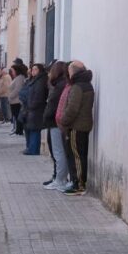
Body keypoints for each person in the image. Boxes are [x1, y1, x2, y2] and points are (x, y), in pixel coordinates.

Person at [58, 60, 94, 196]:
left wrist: (63, 121)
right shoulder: (87, 85)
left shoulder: (78, 87)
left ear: (73, 72)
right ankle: (79, 182)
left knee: (76, 156)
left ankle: (78, 184)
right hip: (84, 125)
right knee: (81, 155)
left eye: (69, 71)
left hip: (76, 126)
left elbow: (72, 108)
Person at [43, 61, 70, 191]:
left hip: (55, 122)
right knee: (58, 151)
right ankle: (59, 178)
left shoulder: (60, 86)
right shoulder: (60, 84)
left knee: (58, 152)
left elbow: (53, 105)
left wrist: (47, 115)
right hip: (55, 122)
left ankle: (60, 180)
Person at [23, 63, 48, 155]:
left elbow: (38, 96)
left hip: (36, 109)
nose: (33, 71)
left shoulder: (40, 81)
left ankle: (33, 150)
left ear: (40, 70)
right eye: (32, 69)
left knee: (35, 129)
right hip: (32, 109)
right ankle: (32, 148)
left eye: (35, 69)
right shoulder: (34, 80)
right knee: (32, 128)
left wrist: (31, 106)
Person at [8, 65, 25, 134]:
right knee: (15, 116)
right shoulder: (16, 78)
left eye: (12, 70)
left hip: (17, 101)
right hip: (13, 101)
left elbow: (18, 89)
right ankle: (16, 130)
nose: (12, 72)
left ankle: (19, 131)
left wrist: (10, 96)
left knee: (18, 116)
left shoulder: (20, 78)